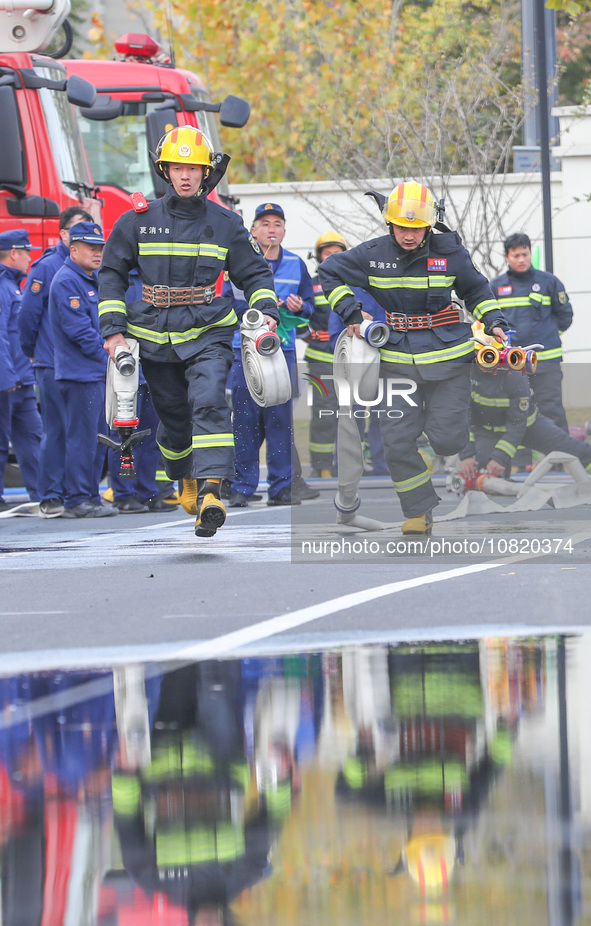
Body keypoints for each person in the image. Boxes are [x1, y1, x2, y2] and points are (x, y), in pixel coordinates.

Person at [98, 126, 279, 538]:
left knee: (211, 401)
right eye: (178, 167)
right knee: (176, 423)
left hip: (208, 331)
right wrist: (113, 332)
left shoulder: (228, 224)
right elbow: (110, 274)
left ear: (205, 174)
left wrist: (266, 308)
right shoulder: (136, 222)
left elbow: (254, 273)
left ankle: (213, 490)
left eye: (193, 168)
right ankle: (185, 478)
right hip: (153, 336)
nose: (185, 175)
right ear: (165, 170)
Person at [319, 181, 508, 534]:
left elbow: (476, 290)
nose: (409, 235)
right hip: (396, 361)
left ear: (428, 225)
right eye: (402, 227)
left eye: (416, 228)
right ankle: (420, 511)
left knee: (448, 440)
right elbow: (328, 272)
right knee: (396, 443)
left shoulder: (450, 252)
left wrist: (495, 320)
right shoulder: (371, 254)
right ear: (389, 223)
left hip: (449, 358)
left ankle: (428, 430)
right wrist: (353, 315)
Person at [224, 202, 318, 507]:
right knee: (245, 421)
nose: (271, 229)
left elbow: (310, 306)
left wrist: (297, 307)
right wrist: (259, 310)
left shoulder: (295, 264)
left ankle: (281, 487)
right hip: (246, 350)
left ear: (284, 230)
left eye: (277, 223)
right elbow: (224, 304)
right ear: (253, 230)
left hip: (283, 350)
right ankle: (243, 485)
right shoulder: (237, 262)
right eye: (264, 224)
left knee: (280, 421)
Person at [18, 206, 93, 518]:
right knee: (56, 430)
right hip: (50, 362)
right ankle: (50, 494)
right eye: (77, 230)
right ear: (64, 235)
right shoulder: (49, 267)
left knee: (77, 431)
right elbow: (27, 317)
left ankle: (74, 491)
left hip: (72, 363)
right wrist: (31, 352)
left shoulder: (85, 269)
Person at [49, 221, 117, 518]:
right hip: (81, 374)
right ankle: (77, 498)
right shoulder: (67, 282)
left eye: (100, 248)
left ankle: (90, 494)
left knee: (98, 438)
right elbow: (81, 332)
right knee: (82, 439)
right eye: (91, 248)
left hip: (96, 373)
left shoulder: (91, 279)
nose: (97, 253)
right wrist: (112, 359)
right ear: (73, 249)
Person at [489, 232, 572, 432]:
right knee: (515, 410)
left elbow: (565, 316)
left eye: (525, 254)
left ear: (529, 253)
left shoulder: (549, 282)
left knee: (552, 410)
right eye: (516, 255)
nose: (521, 259)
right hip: (513, 362)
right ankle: (520, 461)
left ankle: (560, 460)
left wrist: (548, 334)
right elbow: (489, 321)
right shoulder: (496, 287)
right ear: (507, 257)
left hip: (546, 360)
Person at [457, 361, 591, 478]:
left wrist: (500, 457)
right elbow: (463, 419)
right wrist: (467, 456)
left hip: (529, 427)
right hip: (488, 430)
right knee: (487, 468)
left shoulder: (515, 375)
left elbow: (517, 424)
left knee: (574, 450)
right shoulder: (467, 373)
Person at [0, 229, 43, 511]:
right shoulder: (3, 286)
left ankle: (45, 494)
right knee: (1, 441)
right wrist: (6, 377)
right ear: (14, 253)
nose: (30, 256)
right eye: (26, 251)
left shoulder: (14, 284)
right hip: (7, 380)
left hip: (21, 379)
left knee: (33, 436)